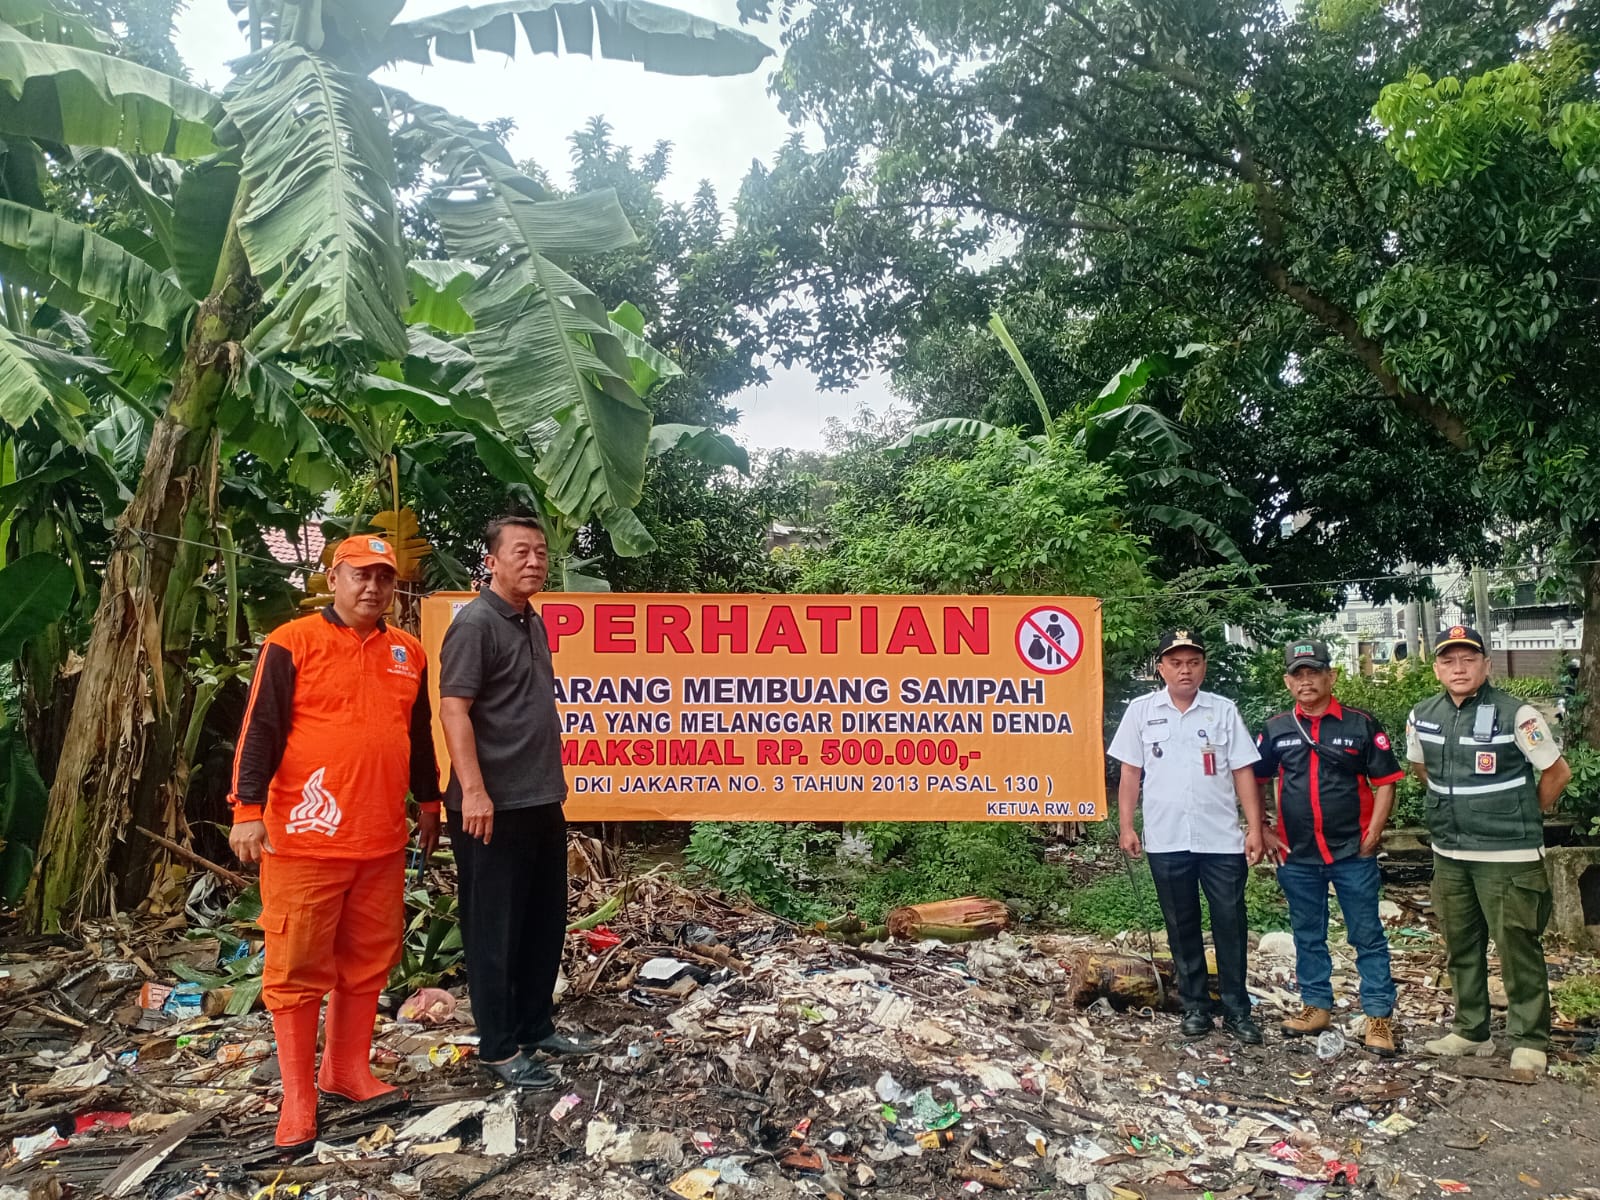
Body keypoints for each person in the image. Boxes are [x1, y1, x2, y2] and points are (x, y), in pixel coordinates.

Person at [229, 535, 442, 1150]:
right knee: (296, 968)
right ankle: (298, 1099)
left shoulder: (408, 652)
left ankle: (346, 1069)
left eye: (384, 578)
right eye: (360, 575)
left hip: (380, 840)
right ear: (334, 577)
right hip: (304, 840)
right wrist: (247, 810)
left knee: (369, 959)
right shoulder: (292, 642)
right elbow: (259, 729)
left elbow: (420, 736)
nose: (373, 587)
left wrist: (428, 804)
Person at [439, 514, 594, 1089]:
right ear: (492, 561)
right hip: (490, 807)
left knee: (542, 922)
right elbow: (453, 708)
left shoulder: (532, 622)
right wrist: (474, 791)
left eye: (541, 553)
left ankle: (535, 1025)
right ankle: (500, 1048)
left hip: (539, 799)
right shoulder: (476, 624)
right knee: (494, 928)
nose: (534, 561)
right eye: (521, 552)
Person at [1407, 625, 1570, 1074]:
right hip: (1450, 852)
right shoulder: (1422, 714)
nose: (1458, 668)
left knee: (1517, 945)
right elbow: (1421, 769)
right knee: (1460, 944)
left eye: (1468, 659)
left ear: (1486, 665)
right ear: (1437, 667)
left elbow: (1557, 773)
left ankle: (1529, 1038)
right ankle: (1470, 1029)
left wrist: (1521, 817)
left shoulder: (1517, 715)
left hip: (1508, 855)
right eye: (1448, 660)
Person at [1109, 629, 1269, 1043]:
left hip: (1221, 840)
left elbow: (1243, 771)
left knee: (1230, 923)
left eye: (1193, 662)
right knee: (1181, 925)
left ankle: (1237, 1010)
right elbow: (1130, 773)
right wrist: (1127, 826)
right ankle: (1195, 1006)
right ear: (1160, 667)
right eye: (1176, 662)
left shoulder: (1223, 711)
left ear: (1203, 666)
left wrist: (1254, 827)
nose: (1185, 670)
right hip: (1166, 837)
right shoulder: (1141, 711)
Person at [1255, 639, 1406, 1055]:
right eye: (1298, 675)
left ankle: (1378, 1016)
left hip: (1351, 852)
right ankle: (1316, 1005)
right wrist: (1264, 828)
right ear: (1288, 682)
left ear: (1331, 676)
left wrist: (1374, 832)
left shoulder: (1360, 724)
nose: (1306, 681)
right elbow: (1256, 778)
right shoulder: (1276, 729)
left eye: (1314, 673)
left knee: (1367, 935)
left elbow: (1387, 781)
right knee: (1308, 934)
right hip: (1297, 853)